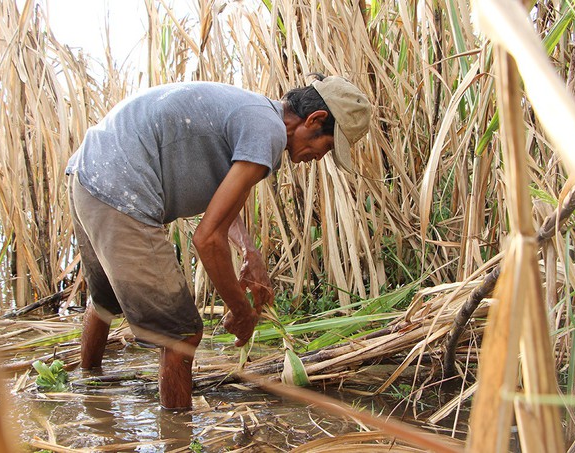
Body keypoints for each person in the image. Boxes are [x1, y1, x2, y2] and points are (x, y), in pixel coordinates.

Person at [65, 74, 371, 410]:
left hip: (88, 176)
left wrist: (248, 250)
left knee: (106, 299)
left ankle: (87, 388)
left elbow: (222, 203)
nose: (318, 157)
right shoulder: (266, 131)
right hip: (121, 192)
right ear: (315, 120)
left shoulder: (253, 113)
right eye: (325, 147)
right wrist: (241, 311)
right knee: (182, 335)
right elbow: (207, 239)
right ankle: (179, 439)